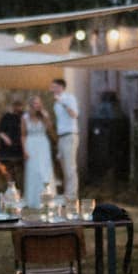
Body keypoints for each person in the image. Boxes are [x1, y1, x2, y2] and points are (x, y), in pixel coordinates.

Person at [50, 77, 80, 205]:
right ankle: (67, 194)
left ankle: (72, 196)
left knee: (70, 167)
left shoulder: (69, 98)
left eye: (53, 86)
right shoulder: (56, 103)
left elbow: (74, 114)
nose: (51, 89)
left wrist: (62, 102)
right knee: (63, 166)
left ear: (60, 87)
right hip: (61, 137)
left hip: (70, 135)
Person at [21, 94, 55, 207]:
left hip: (43, 144)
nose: (37, 105)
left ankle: (46, 199)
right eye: (35, 103)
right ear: (31, 105)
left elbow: (50, 128)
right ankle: (33, 200)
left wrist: (45, 117)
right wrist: (24, 150)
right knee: (33, 170)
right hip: (30, 144)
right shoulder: (25, 117)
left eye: (39, 103)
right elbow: (23, 135)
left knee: (44, 170)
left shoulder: (44, 114)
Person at [0, 98, 24, 188]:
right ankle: (11, 187)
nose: (18, 108)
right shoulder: (6, 117)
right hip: (7, 149)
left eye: (19, 106)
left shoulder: (23, 116)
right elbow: (0, 131)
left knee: (19, 168)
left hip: (19, 148)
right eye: (16, 106)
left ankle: (19, 187)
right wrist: (6, 139)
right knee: (6, 167)